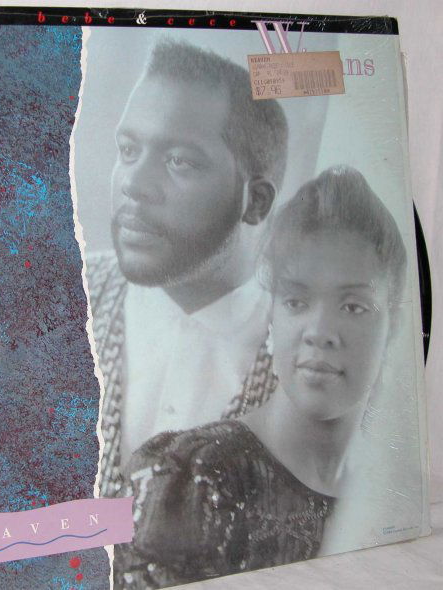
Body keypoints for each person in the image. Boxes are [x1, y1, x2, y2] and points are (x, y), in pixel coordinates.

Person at [114, 166, 408, 589]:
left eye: (353, 307)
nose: (319, 331)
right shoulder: (190, 478)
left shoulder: (390, 493)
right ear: (271, 320)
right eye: (296, 301)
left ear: (393, 327)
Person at [86, 39, 289, 497]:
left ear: (255, 202)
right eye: (128, 150)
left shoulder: (309, 355)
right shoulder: (60, 300)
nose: (134, 184)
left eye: (179, 161)